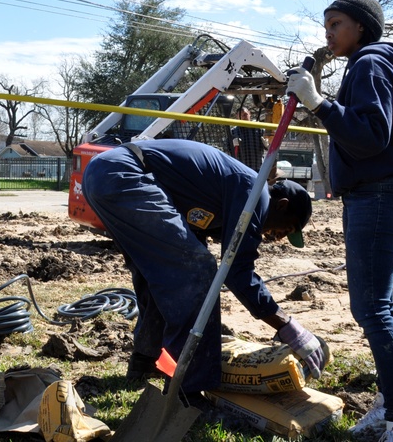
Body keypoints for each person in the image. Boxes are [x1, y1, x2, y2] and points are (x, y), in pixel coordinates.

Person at [80, 139, 324, 401]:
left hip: (102, 174)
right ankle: (188, 391)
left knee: (159, 271)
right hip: (127, 175)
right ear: (282, 205)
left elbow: (195, 240)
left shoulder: (230, 190)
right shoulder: (255, 194)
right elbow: (236, 271)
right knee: (198, 271)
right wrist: (286, 325)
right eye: (286, 229)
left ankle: (145, 360)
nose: (278, 237)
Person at [287, 0, 393, 442]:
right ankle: (391, 402)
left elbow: (370, 135)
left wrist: (318, 102)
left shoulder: (368, 64)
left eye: (336, 24)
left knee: (372, 306)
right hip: (375, 193)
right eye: (326, 24)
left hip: (382, 193)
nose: (328, 32)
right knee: (375, 304)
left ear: (361, 28)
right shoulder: (369, 64)